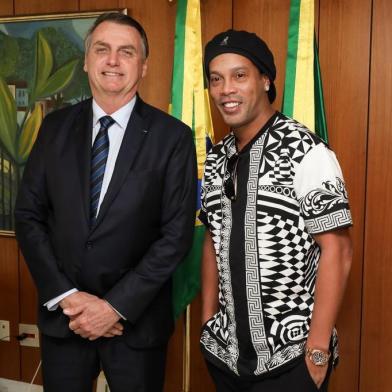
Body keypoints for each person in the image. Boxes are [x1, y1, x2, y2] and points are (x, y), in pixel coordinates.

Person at [14, 12, 196, 392]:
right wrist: (70, 299)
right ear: (86, 61)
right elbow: (29, 216)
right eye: (102, 49)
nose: (112, 61)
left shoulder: (173, 138)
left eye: (126, 52)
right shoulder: (54, 128)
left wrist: (112, 308)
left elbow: (175, 235)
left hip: (135, 326)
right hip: (66, 320)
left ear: (144, 66)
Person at [199, 29, 353, 392]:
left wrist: (317, 352)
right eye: (216, 79)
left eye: (240, 76)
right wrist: (207, 320)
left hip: (291, 359)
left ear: (265, 80)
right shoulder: (217, 157)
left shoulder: (306, 151)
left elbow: (339, 250)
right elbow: (212, 237)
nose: (226, 90)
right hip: (226, 356)